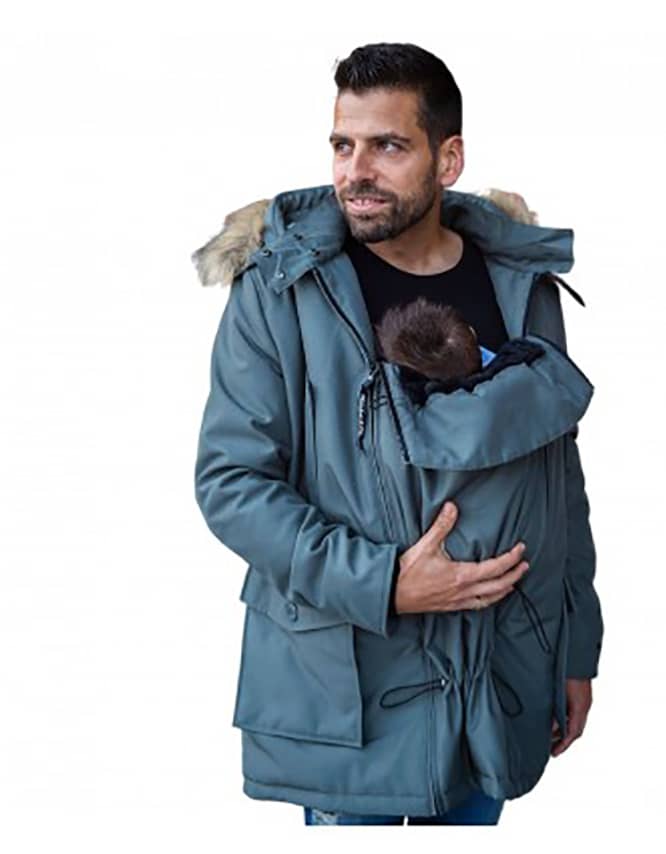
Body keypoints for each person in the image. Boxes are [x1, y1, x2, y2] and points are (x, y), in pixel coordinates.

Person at [192, 42, 604, 826]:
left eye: (387, 146)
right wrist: (384, 583)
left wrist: (574, 647)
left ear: (448, 159)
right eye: (342, 145)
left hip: (497, 682)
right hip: (349, 692)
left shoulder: (520, 288)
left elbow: (559, 483)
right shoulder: (281, 291)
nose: (356, 172)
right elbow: (233, 485)